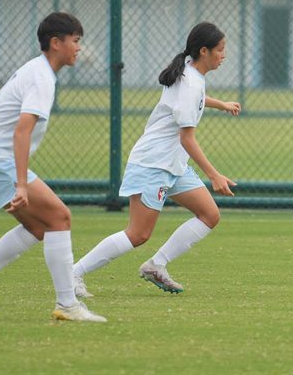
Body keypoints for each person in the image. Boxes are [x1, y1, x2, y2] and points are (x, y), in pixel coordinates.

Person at [0, 12, 105, 322]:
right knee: (60, 217)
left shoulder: (38, 72)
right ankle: (67, 305)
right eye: (75, 41)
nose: (79, 48)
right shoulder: (41, 76)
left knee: (38, 226)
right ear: (55, 43)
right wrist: (20, 184)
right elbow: (21, 130)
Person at [73, 21, 239, 297]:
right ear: (204, 51)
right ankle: (74, 272)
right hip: (154, 164)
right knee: (138, 234)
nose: (224, 55)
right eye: (221, 50)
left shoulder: (190, 73)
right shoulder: (188, 82)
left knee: (210, 214)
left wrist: (220, 104)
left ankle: (156, 265)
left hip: (173, 165)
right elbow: (188, 138)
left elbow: (194, 98)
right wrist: (214, 175)